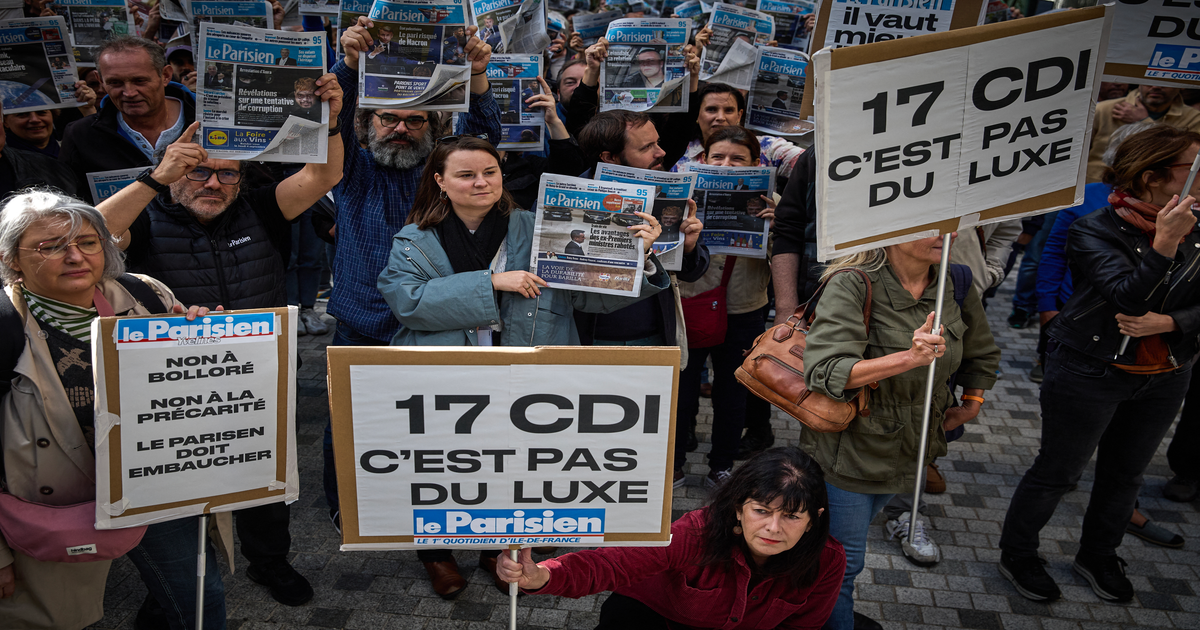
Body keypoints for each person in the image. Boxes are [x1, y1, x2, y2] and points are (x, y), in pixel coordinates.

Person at [376, 135, 671, 599]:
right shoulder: (413, 240)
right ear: (440, 181)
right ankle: (437, 554)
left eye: (489, 172)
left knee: (514, 467)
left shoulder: (540, 226)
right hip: (448, 379)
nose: (481, 182)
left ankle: (501, 551)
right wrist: (492, 282)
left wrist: (640, 255)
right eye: (466, 174)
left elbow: (591, 295)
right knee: (448, 470)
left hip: (531, 372)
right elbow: (407, 303)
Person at [91, 70, 344, 608]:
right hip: (168, 380)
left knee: (263, 472)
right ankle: (178, 586)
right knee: (175, 478)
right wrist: (156, 179)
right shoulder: (148, 209)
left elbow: (322, 175)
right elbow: (92, 233)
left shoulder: (263, 208)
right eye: (199, 172)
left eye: (226, 176)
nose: (213, 184)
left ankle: (270, 563)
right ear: (173, 171)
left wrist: (331, 120)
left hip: (256, 372)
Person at [0, 190, 226, 629]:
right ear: (11, 259)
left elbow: (189, 386)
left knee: (198, 601)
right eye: (50, 246)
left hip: (151, 487)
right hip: (58, 506)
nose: (75, 256)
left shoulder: (144, 295)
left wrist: (208, 337)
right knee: (64, 618)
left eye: (87, 242)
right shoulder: (4, 327)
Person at [323, 13, 502, 569]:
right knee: (351, 427)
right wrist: (349, 66)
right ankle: (350, 512)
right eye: (387, 119)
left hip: (438, 325)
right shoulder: (352, 168)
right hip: (363, 324)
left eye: (415, 121)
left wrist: (477, 78)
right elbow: (324, 119)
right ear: (368, 122)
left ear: (433, 129)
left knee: (442, 440)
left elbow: (485, 143)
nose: (400, 129)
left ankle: (441, 546)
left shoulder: (445, 176)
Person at [998, 126, 1200, 604]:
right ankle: (1019, 553)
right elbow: (1127, 297)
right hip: (1089, 368)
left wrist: (1169, 323)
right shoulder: (1096, 226)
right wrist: (1165, 243)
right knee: (1058, 472)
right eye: (1192, 168)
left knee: (1125, 474)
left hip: (1167, 371)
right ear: (1153, 177)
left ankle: (1098, 555)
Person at [801, 235, 1001, 630]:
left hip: (916, 446)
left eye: (951, 225)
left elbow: (981, 351)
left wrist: (972, 403)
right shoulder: (854, 281)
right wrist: (909, 358)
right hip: (852, 448)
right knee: (843, 564)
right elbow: (825, 372)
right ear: (896, 229)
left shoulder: (956, 281)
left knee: (832, 557)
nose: (948, 235)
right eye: (933, 225)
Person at [495, 447, 846, 629]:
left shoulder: (829, 560)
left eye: (791, 516)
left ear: (814, 520)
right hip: (651, 620)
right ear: (739, 508)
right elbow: (611, 563)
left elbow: (802, 627)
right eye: (762, 511)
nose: (773, 528)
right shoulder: (695, 533)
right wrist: (543, 575)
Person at [675, 126, 776, 489]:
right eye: (718, 157)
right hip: (692, 302)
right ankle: (675, 466)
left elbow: (785, 258)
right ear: (704, 160)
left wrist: (774, 228)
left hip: (745, 307)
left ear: (756, 163)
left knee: (733, 393)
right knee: (683, 390)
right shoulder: (685, 196)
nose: (727, 164)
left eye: (738, 159)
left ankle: (722, 465)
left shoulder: (770, 203)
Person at [576, 109, 709, 351]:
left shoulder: (666, 189)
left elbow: (692, 273)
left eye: (657, 142)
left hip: (654, 338)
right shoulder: (570, 198)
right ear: (610, 157)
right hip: (589, 339)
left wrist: (689, 247)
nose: (661, 152)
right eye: (647, 147)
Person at [61, 36, 195, 202]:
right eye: (115, 83)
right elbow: (72, 206)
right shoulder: (80, 135)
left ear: (165, 75)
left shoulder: (209, 125)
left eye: (139, 81)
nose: (129, 93)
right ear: (100, 81)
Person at [669, 82, 803, 181]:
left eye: (729, 110)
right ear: (697, 115)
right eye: (711, 109)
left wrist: (784, 212)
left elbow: (810, 164)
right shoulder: (678, 155)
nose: (720, 118)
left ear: (739, 115)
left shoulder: (769, 147)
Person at [1088, 85, 1200, 182]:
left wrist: (1145, 121)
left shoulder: (1194, 118)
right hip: (1098, 183)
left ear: (1182, 85)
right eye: (1150, 80)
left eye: (1164, 82)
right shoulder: (1103, 109)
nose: (1155, 86)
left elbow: (1188, 158)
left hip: (1158, 187)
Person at [0, 102, 78, 198]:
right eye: (22, 114)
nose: (35, 120)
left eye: (41, 112)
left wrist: (87, 109)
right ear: (5, 121)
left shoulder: (69, 150)